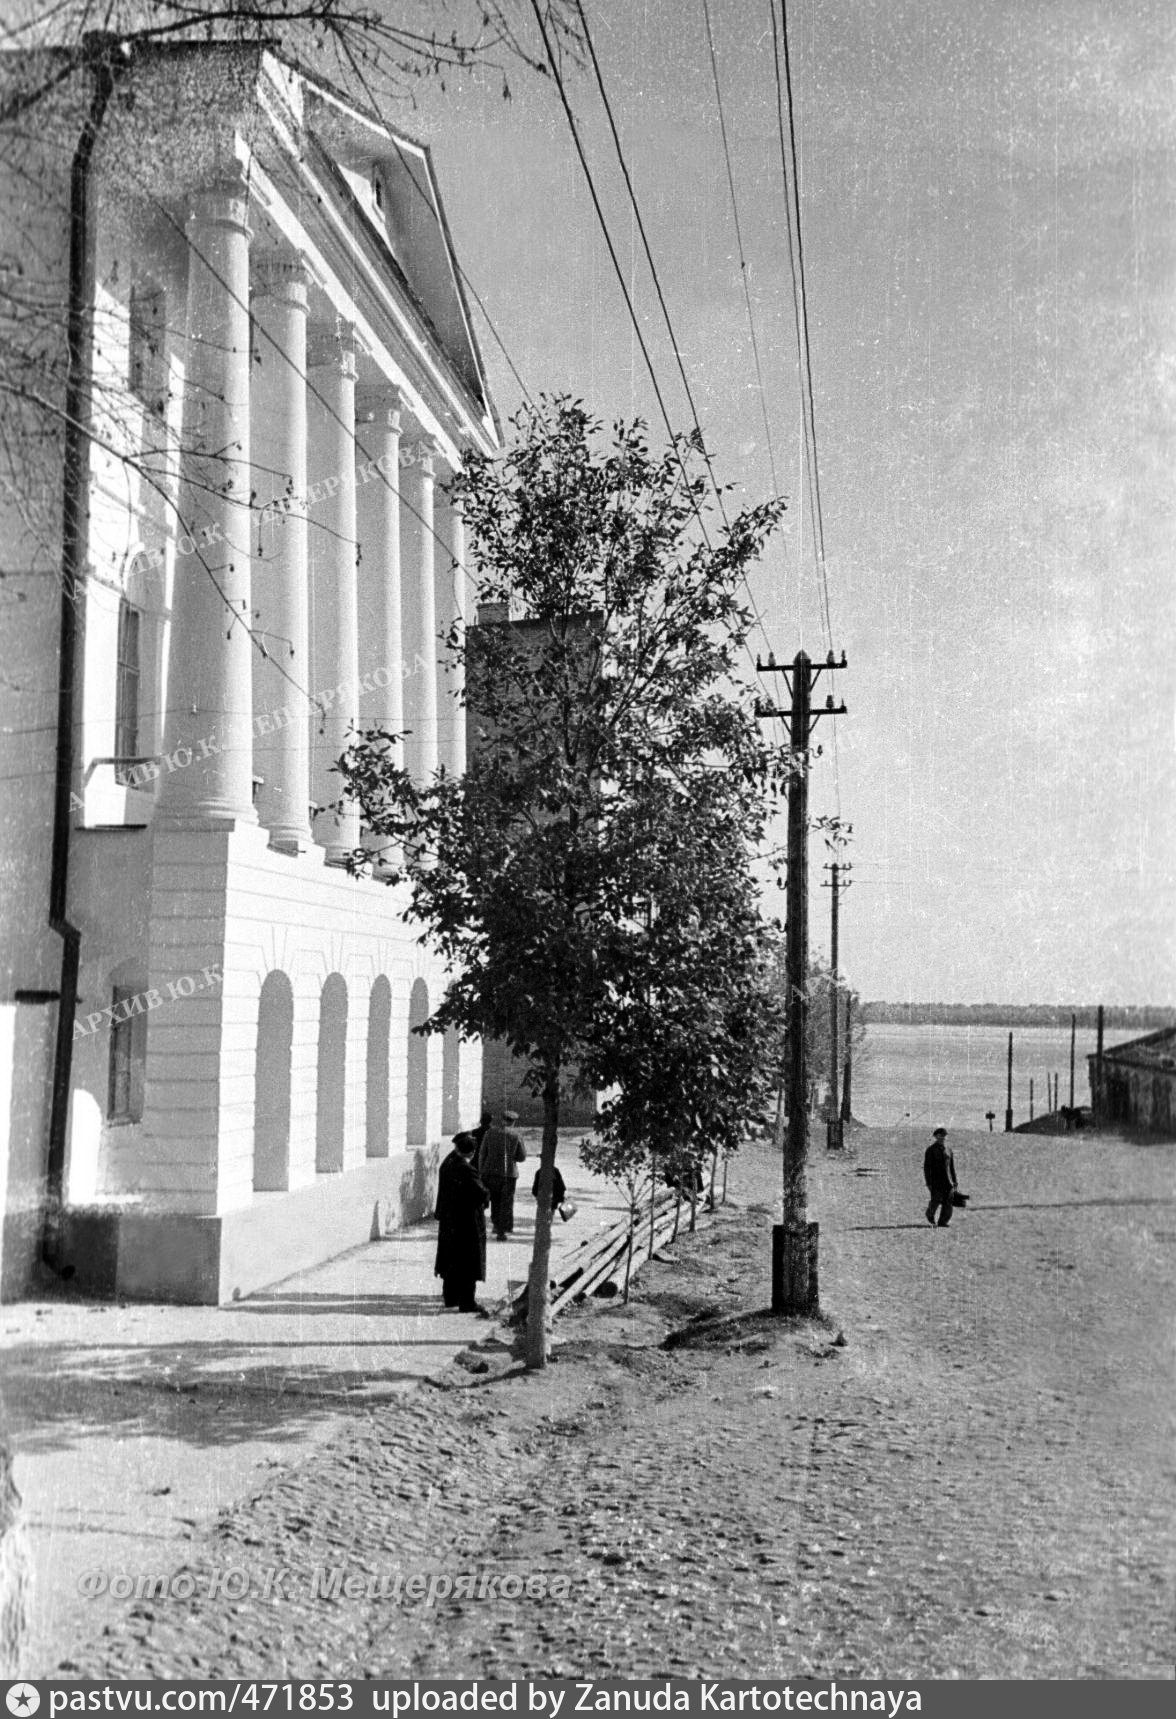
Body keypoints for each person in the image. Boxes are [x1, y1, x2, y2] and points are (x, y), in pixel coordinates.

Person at [434, 1132, 490, 1314]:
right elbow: (480, 1193)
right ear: (472, 1153)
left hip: (450, 1220)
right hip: (467, 1222)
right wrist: (487, 1194)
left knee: (451, 1260)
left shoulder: (448, 1163)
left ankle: (450, 1297)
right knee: (468, 1261)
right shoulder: (466, 1169)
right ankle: (467, 1302)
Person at [477, 1108, 527, 1240]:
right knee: (506, 1202)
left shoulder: (490, 1132)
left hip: (490, 1172)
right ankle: (502, 1230)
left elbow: (482, 1153)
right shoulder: (516, 1135)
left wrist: (481, 1170)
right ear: (513, 1122)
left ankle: (496, 1224)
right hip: (509, 1173)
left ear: (502, 1119)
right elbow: (522, 1157)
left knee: (494, 1200)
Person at [923, 1126, 959, 1227]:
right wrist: (929, 1182)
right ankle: (930, 1214)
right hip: (936, 1181)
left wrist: (955, 1181)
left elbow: (951, 1167)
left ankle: (943, 1221)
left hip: (948, 1181)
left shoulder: (949, 1150)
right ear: (936, 1137)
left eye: (944, 1136)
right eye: (940, 1136)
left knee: (948, 1202)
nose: (942, 1138)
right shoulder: (931, 1150)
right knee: (936, 1200)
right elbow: (927, 1168)